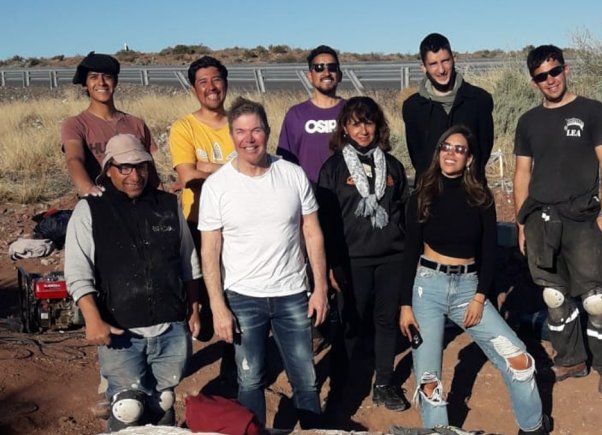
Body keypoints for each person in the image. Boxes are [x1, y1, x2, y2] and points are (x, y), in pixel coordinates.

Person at [399, 125, 550, 434]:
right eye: (446, 147)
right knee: (429, 379)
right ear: (438, 153)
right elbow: (409, 254)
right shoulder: (421, 196)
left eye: (459, 149)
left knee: (518, 358)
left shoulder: (481, 198)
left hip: (469, 289)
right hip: (427, 287)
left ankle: (534, 426)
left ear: (469, 159)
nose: (450, 153)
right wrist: (405, 304)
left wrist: (481, 296)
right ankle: (438, 430)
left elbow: (488, 253)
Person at [198, 97, 329, 428]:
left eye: (256, 130)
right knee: (250, 379)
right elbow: (210, 250)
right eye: (241, 131)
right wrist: (218, 305)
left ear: (267, 132)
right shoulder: (217, 187)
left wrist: (320, 289)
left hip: (292, 293)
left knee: (305, 378)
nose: (249, 138)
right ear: (231, 135)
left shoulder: (292, 174)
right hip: (243, 296)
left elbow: (312, 233)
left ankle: (314, 428)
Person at [64, 134, 201, 432]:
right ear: (109, 168)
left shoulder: (167, 205)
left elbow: (188, 259)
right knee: (127, 408)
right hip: (120, 330)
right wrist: (92, 319)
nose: (135, 175)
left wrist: (193, 309)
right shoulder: (90, 210)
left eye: (141, 166)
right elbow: (77, 271)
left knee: (163, 401)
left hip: (170, 326)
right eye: (125, 167)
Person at [512, 45, 602, 395]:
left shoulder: (592, 111)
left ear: (565, 69)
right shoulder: (527, 121)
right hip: (541, 220)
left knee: (595, 299)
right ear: (534, 82)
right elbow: (521, 172)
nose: (550, 80)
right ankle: (571, 358)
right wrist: (520, 222)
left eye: (555, 71)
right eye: (542, 76)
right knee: (555, 297)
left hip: (583, 218)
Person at [317, 96, 409, 412]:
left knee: (386, 322)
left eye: (368, 122)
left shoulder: (393, 166)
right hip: (351, 260)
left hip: (391, 258)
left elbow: (403, 213)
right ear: (344, 126)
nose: (363, 130)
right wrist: (329, 264)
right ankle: (340, 387)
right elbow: (325, 222)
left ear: (378, 126)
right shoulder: (332, 168)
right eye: (356, 123)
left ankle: (384, 383)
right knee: (348, 324)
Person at [61, 52, 156, 197]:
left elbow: (150, 169)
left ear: (115, 82)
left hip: (139, 201)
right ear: (85, 84)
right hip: (100, 200)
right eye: (93, 77)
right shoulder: (75, 125)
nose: (101, 82)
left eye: (107, 76)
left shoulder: (136, 124)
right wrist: (87, 188)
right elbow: (74, 159)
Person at [402, 33, 494, 183]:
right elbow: (417, 156)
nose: (441, 70)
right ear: (423, 68)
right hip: (429, 194)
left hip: (471, 193)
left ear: (454, 59)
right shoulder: (412, 108)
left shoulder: (480, 100)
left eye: (445, 61)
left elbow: (483, 150)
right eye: (433, 64)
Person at [170, 55, 235, 230]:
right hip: (199, 222)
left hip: (238, 219)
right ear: (193, 89)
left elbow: (256, 173)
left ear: (226, 83)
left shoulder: (242, 124)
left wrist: (208, 167)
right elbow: (188, 178)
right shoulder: (183, 127)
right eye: (203, 82)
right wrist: (236, 176)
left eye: (216, 80)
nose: (211, 87)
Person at [278, 45, 345, 185]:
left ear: (339, 75)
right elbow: (286, 161)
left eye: (332, 67)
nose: (326, 73)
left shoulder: (353, 111)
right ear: (310, 76)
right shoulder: (296, 114)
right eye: (319, 68)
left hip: (348, 199)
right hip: (309, 196)